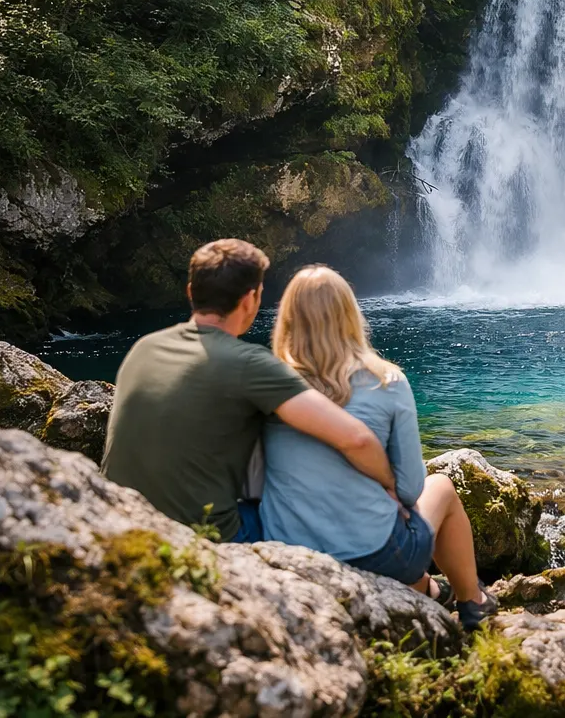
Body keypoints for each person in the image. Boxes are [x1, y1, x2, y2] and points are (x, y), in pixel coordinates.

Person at [102, 239, 397, 543]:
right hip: (202, 537)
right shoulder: (249, 364)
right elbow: (356, 439)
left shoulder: (144, 348)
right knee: (305, 509)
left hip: (117, 523)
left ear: (190, 292)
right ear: (250, 300)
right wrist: (391, 487)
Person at [259, 265, 498, 630]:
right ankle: (472, 601)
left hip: (288, 550)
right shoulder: (387, 381)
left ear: (287, 319)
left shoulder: (266, 386)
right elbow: (410, 488)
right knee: (442, 488)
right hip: (376, 553)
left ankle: (432, 591)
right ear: (350, 314)